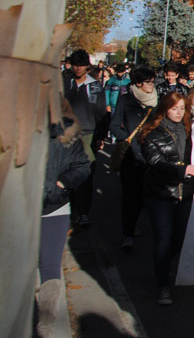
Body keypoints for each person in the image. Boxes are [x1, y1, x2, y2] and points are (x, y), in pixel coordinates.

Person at [139, 92, 194, 305]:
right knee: (163, 241)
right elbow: (155, 164)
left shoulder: (192, 131)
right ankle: (163, 284)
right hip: (161, 195)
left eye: (182, 108)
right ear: (165, 109)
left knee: (179, 239)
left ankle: (164, 266)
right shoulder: (151, 134)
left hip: (185, 195)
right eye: (174, 108)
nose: (179, 112)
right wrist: (182, 171)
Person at [37, 98, 90, 331]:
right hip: (21, 211)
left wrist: (63, 182)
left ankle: (46, 321)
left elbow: (82, 166)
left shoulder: (68, 133)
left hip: (54, 207)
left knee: (49, 268)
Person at [110, 66, 158, 250]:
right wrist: (127, 140)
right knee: (130, 197)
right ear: (138, 83)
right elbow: (114, 125)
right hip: (131, 156)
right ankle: (128, 233)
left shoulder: (156, 100)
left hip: (151, 156)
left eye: (153, 82)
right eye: (148, 82)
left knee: (147, 196)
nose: (152, 85)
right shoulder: (126, 99)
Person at [63, 49, 107, 227]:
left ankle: (83, 212)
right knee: (66, 173)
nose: (78, 68)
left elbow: (102, 113)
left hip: (88, 135)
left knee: (86, 174)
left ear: (87, 66)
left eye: (81, 65)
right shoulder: (65, 84)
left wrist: (100, 136)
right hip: (66, 135)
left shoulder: (95, 87)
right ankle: (69, 210)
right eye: (75, 65)